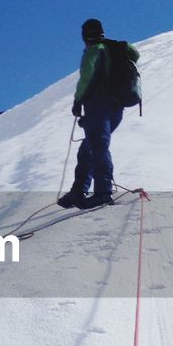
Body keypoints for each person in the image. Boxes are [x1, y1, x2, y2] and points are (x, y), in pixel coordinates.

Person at [58, 18, 140, 209]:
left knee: (98, 146)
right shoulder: (117, 47)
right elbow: (135, 54)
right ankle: (78, 191)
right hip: (116, 107)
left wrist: (78, 101)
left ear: (84, 36)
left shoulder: (94, 50)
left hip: (98, 104)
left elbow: (86, 76)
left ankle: (103, 191)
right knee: (89, 146)